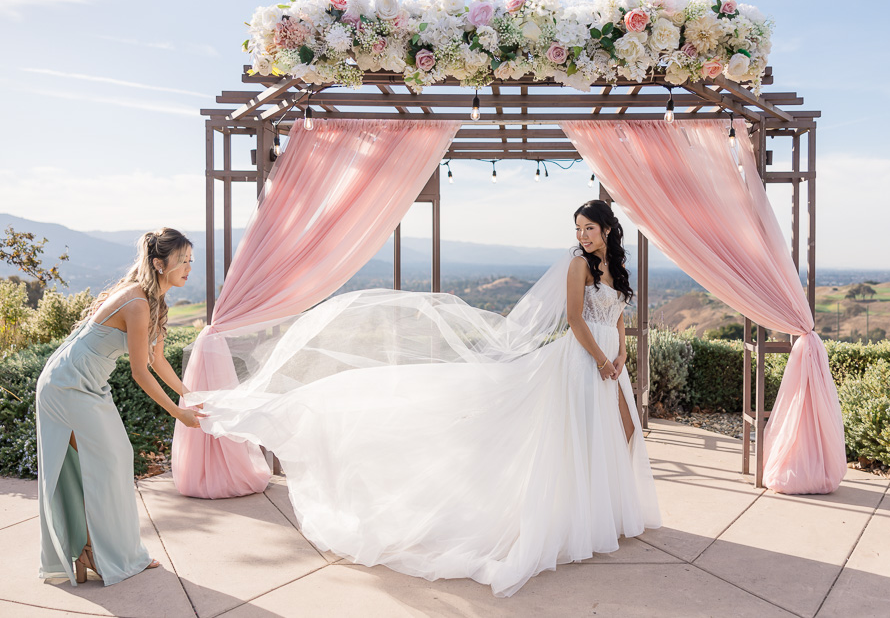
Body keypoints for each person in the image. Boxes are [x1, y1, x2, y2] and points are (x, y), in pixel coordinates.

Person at [193, 200, 661, 596]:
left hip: (609, 364)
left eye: (590, 229)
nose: (582, 236)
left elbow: (617, 315)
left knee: (617, 433)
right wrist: (600, 358)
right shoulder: (577, 263)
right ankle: (572, 517)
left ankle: (606, 514)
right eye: (578, 229)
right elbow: (577, 320)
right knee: (577, 437)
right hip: (581, 361)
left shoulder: (615, 267)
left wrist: (620, 357)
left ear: (608, 230)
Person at [36, 228, 207, 586]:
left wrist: (187, 394)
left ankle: (93, 551)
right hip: (66, 386)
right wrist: (178, 413)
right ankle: (102, 552)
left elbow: (157, 360)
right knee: (110, 461)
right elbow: (139, 371)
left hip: (87, 386)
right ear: (159, 264)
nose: (189, 267)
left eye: (191, 259)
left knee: (112, 460)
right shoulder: (137, 302)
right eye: (183, 260)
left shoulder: (156, 301)